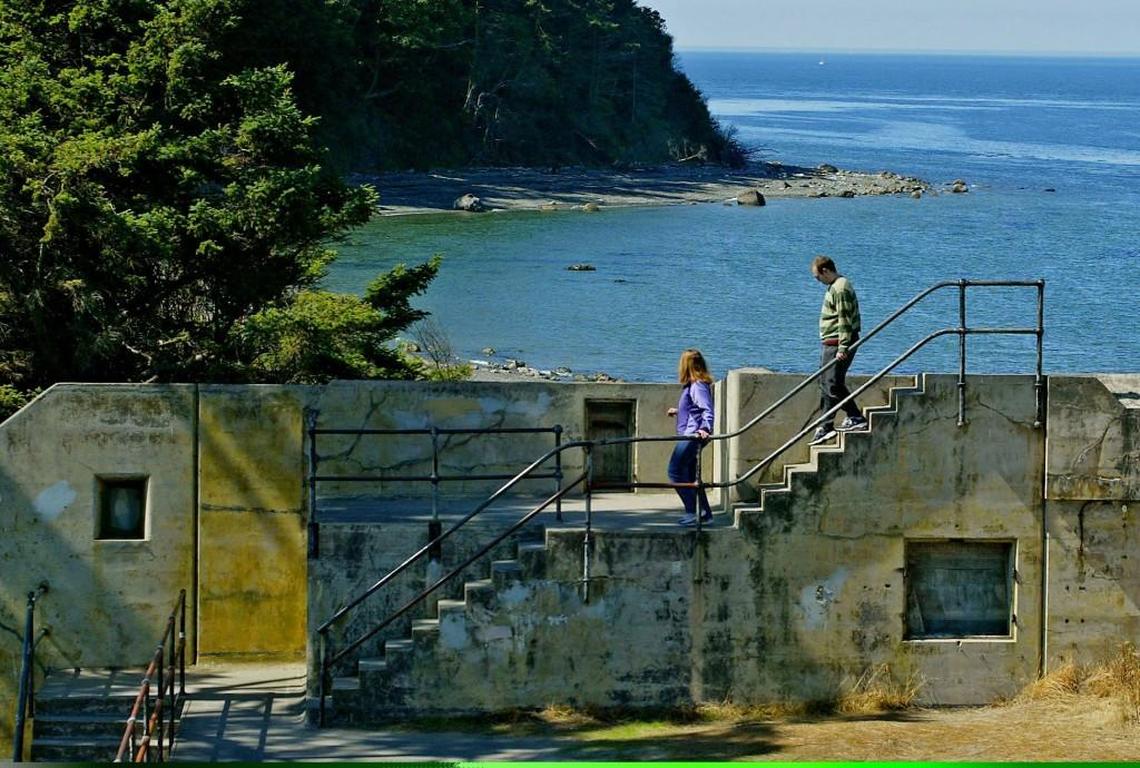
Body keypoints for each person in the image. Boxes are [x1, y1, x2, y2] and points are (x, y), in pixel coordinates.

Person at [810, 255, 868, 444]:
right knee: (827, 382)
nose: (818, 281)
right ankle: (826, 425)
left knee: (832, 383)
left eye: (818, 277)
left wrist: (843, 347)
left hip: (837, 343)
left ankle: (853, 417)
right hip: (831, 343)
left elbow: (844, 320)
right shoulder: (836, 286)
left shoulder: (840, 288)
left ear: (825, 271)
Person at [665, 348, 715, 526]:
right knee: (692, 476)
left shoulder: (698, 385)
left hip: (692, 436)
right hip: (691, 433)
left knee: (675, 472)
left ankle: (693, 511)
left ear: (686, 365)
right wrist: (679, 411)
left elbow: (707, 409)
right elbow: (695, 409)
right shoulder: (695, 385)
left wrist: (705, 428)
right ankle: (705, 514)